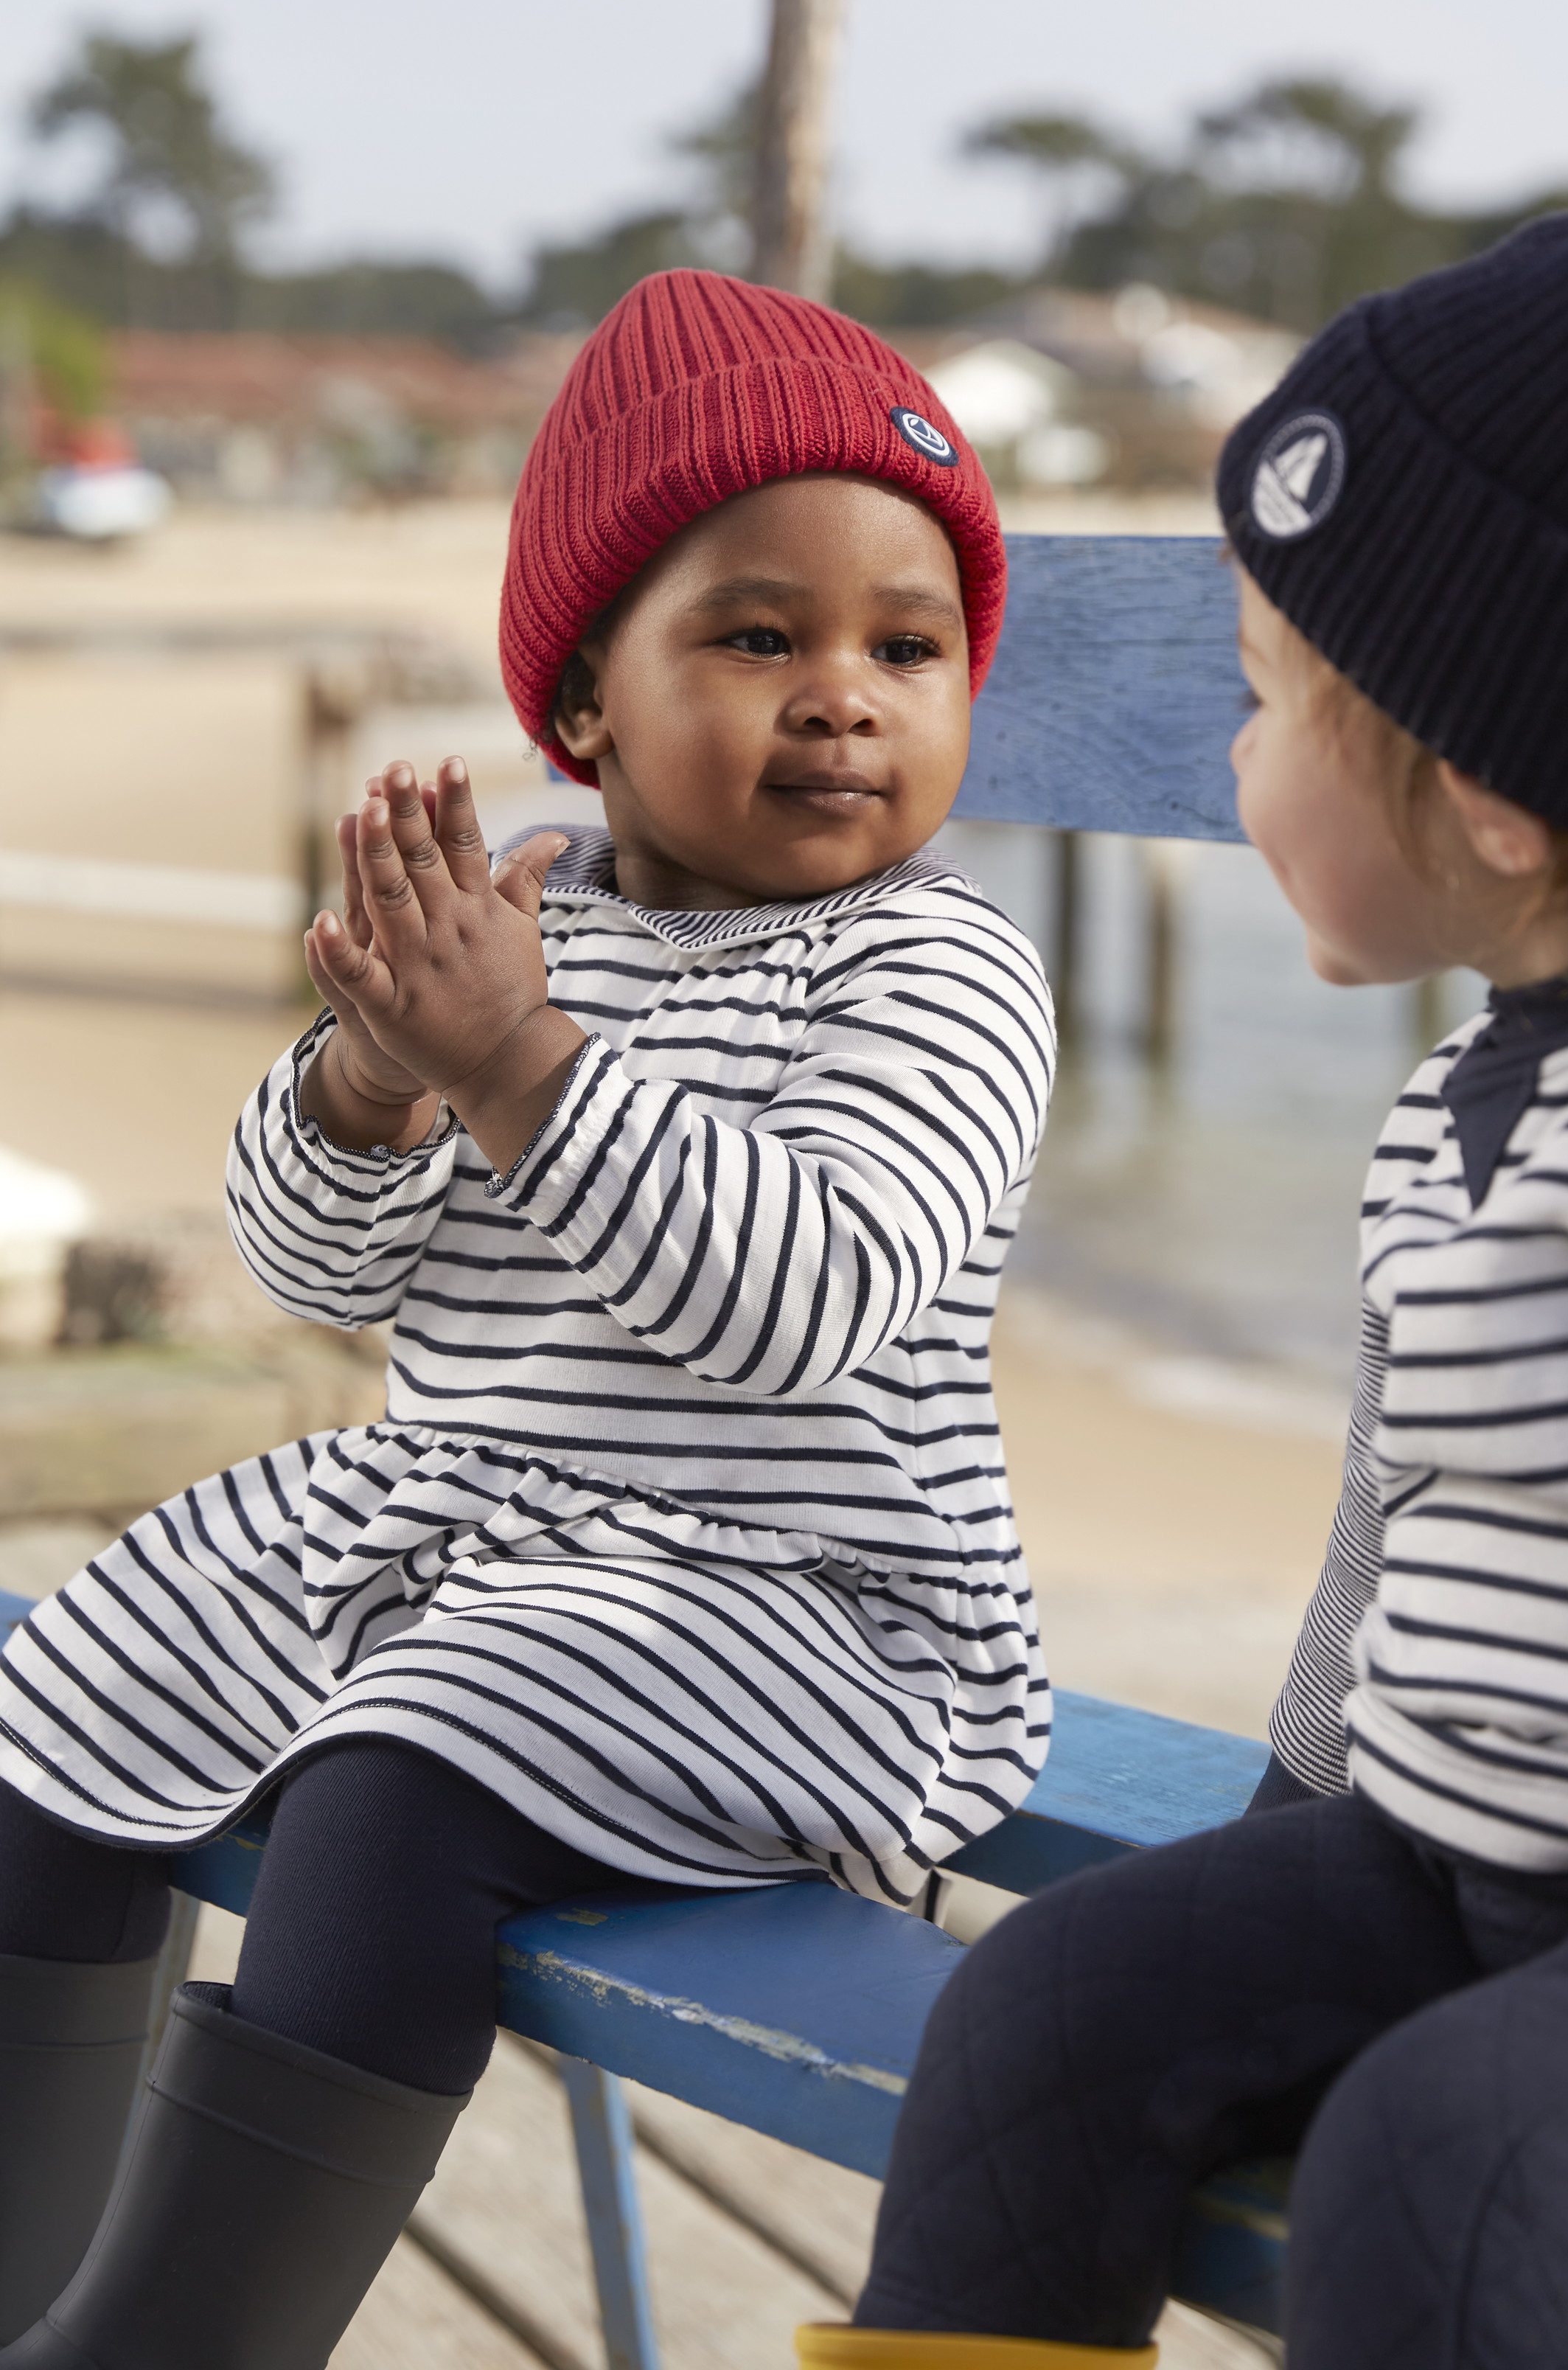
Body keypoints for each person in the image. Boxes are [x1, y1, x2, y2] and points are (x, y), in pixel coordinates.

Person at [0, 271, 1055, 2369]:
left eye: (906, 648)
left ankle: (169, 2341)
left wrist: (521, 1071)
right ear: (581, 704)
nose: (845, 694)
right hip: (478, 1538)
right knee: (83, 1662)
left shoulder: (938, 977)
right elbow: (313, 1279)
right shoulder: (525, 931)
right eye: (761, 636)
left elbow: (808, 1302)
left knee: (399, 1778)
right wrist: (370, 1086)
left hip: (814, 1618)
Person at [804, 149, 1568, 2370]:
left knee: (1449, 2155)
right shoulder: (1457, 1102)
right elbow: (1381, 1530)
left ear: (1491, 796)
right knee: (1055, 1997)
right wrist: (1277, 1842)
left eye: (1262, 701)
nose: (1228, 758)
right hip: (1443, 1852)